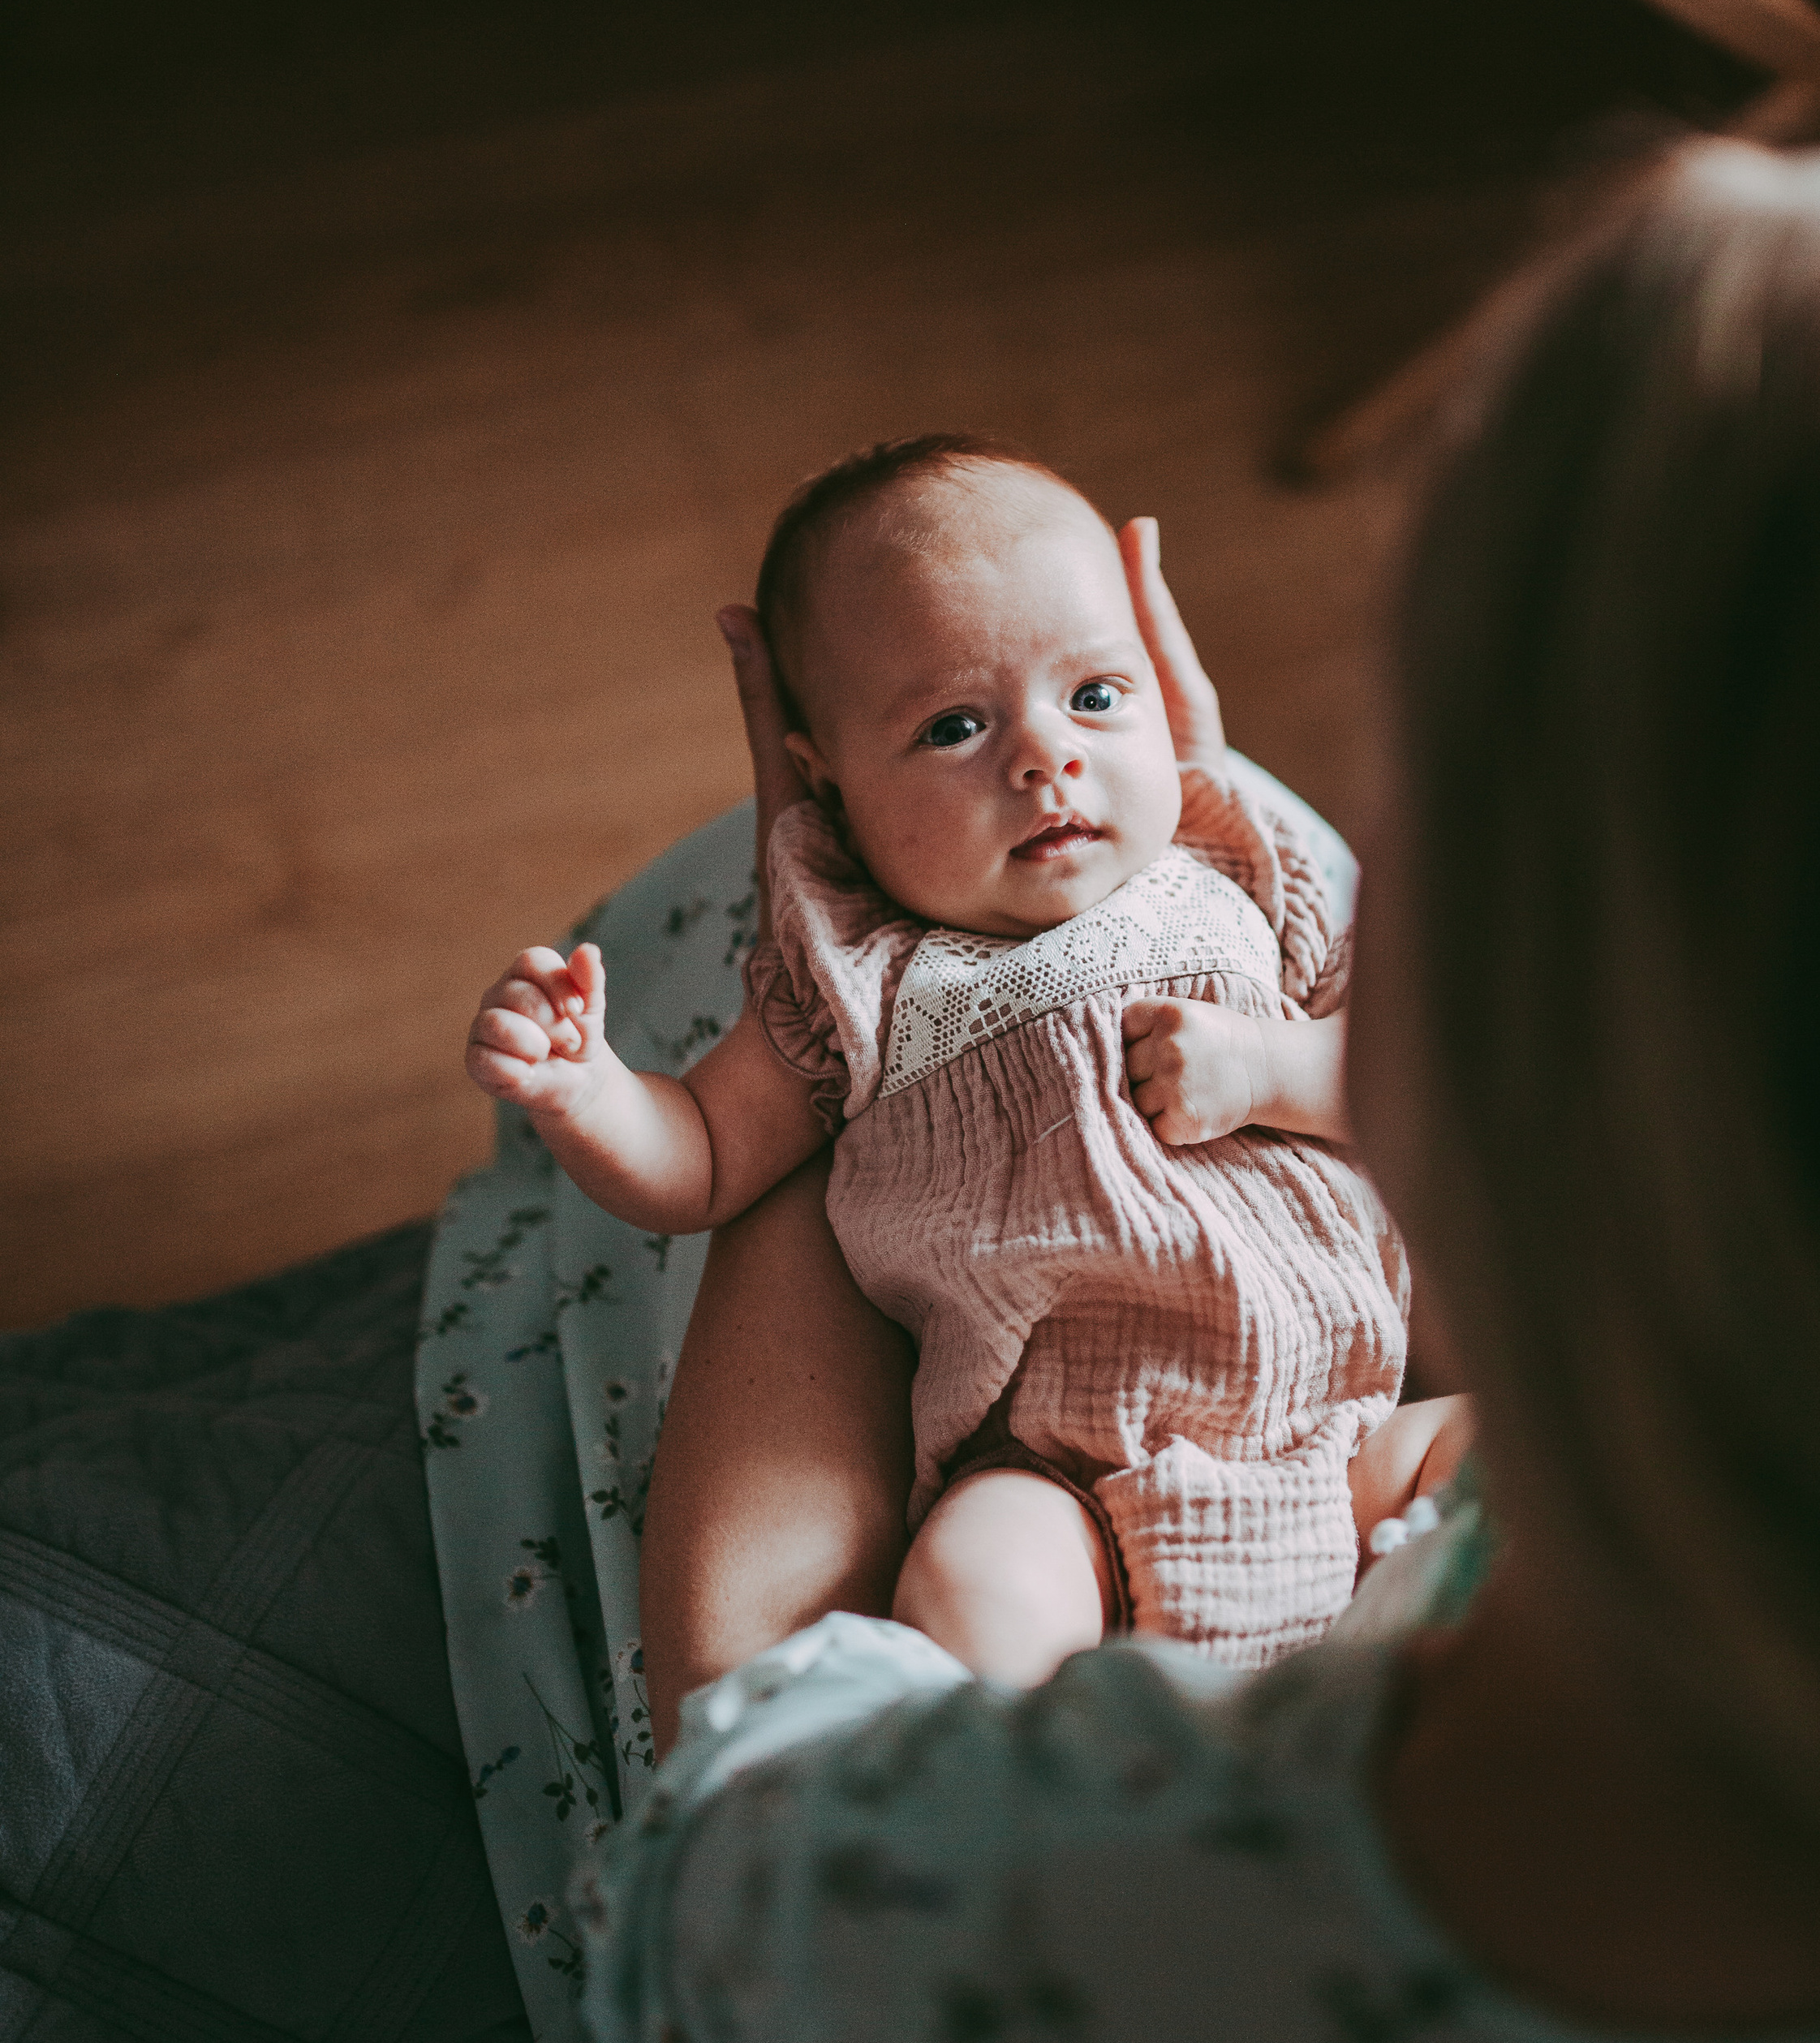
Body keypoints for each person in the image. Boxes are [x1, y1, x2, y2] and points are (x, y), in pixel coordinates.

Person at [578, 139, 1820, 2043]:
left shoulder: (914, 1926)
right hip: (1210, 1411)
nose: (1093, 768)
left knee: (654, 951)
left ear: (1457, 1057)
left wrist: (828, 980)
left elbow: (727, 1794)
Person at [467, 443, 1465, 1682]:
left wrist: (1270, 1072)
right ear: (828, 788)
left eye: (1098, 694)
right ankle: (1059, 1791)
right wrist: (588, 1093)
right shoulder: (855, 975)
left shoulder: (1243, 873)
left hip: (1347, 1440)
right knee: (966, 1578)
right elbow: (710, 1159)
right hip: (1065, 1485)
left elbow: (1423, 1082)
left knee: (1514, 1458)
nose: (1046, 756)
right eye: (953, 726)